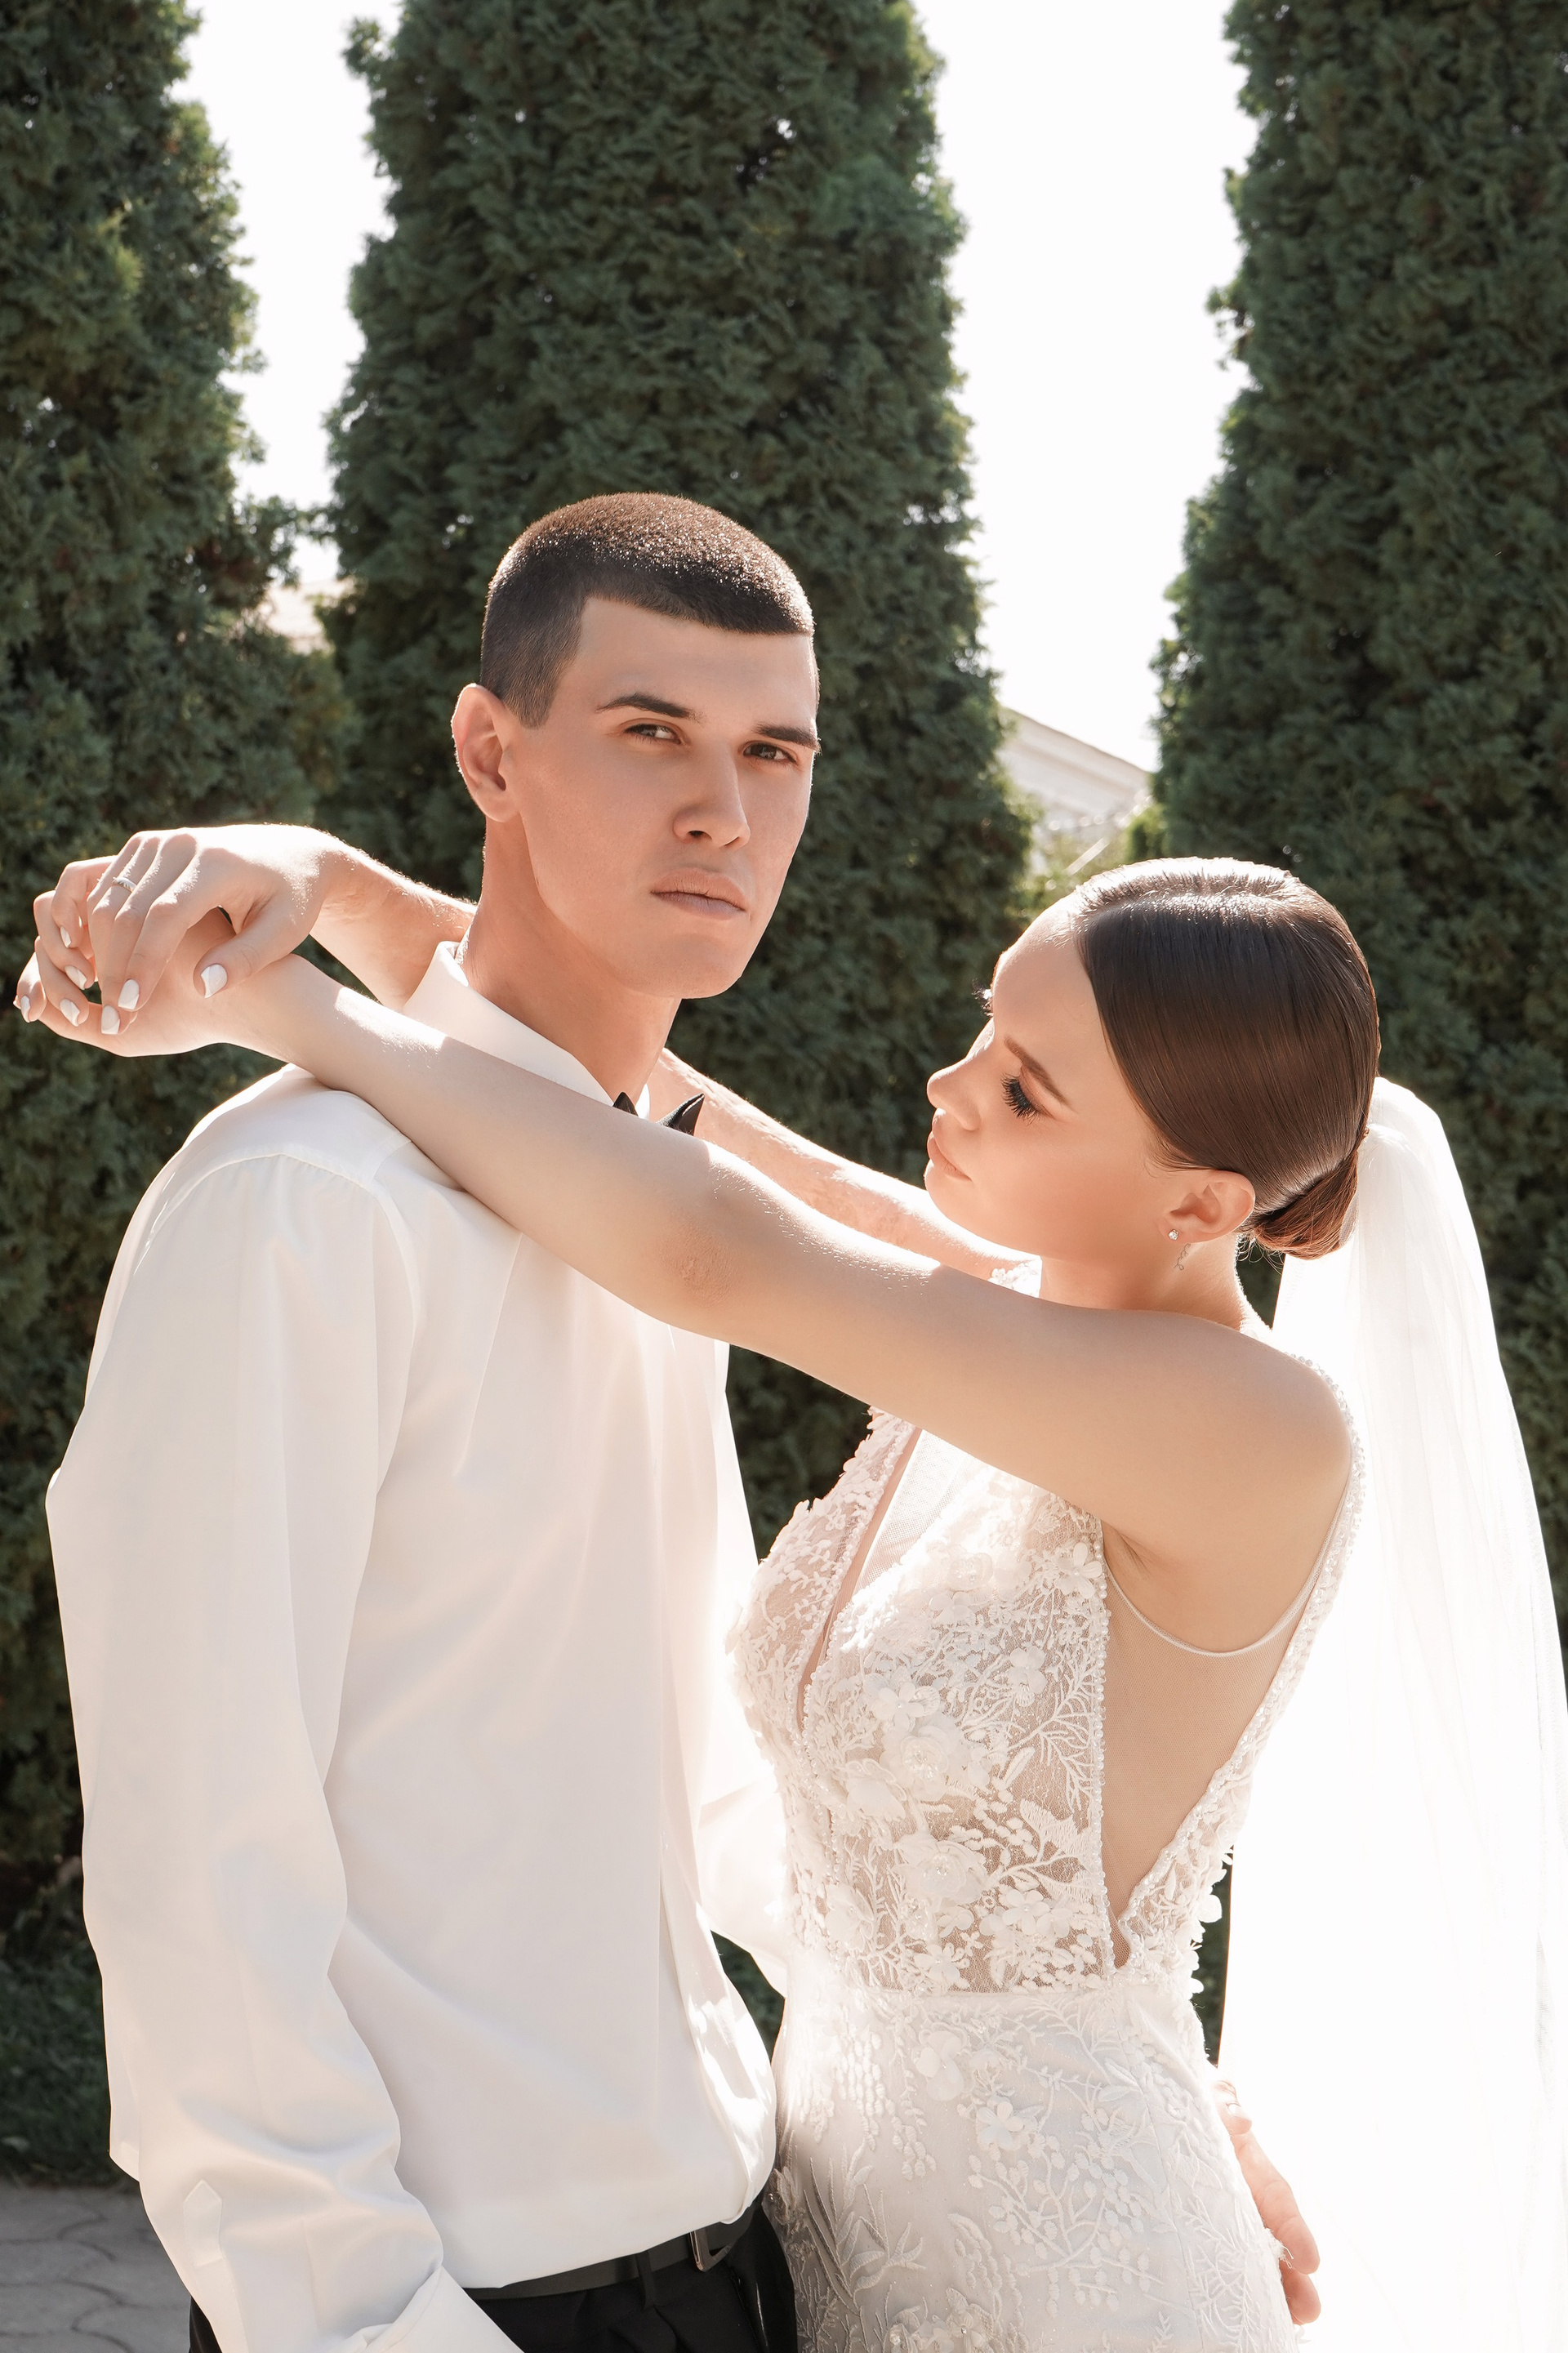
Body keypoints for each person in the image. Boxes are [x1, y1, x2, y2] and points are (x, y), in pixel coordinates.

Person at [23, 829, 1406, 2344]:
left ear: (1201, 1204)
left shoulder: (1258, 1428)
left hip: (1073, 2260)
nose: (949, 1086)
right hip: (822, 2235)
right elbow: (635, 1104)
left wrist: (270, 1005)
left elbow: (708, 1243)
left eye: (1024, 1089)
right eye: (986, 1027)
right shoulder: (1013, 1309)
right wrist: (326, 881)